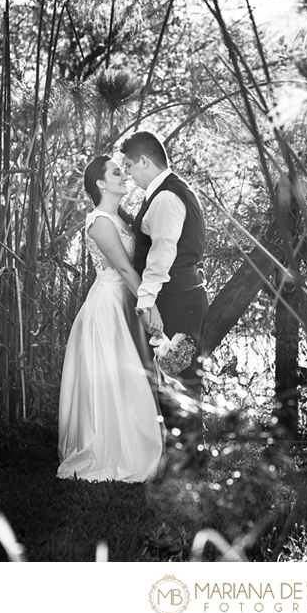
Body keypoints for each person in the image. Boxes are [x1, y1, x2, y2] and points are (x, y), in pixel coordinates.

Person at [56, 155, 163, 482]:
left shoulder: (121, 219)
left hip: (123, 302)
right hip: (108, 306)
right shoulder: (99, 220)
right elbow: (125, 269)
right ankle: (111, 450)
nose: (123, 175)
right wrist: (149, 306)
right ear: (101, 184)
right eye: (116, 172)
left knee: (126, 376)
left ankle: (133, 443)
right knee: (113, 378)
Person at [120, 131, 208, 461]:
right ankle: (187, 461)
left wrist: (145, 301)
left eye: (129, 165)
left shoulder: (167, 198)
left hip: (175, 297)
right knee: (180, 379)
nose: (128, 172)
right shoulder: (171, 191)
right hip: (183, 293)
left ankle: (188, 466)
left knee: (180, 380)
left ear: (144, 160)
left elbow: (162, 253)